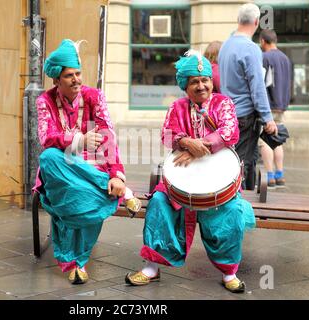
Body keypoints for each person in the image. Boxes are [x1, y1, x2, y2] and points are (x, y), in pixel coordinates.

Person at [125, 51, 256, 293]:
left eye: (205, 79)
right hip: (179, 182)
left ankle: (229, 272)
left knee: (233, 212)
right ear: (185, 85)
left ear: (211, 81)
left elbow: (230, 131)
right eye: (194, 81)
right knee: (158, 203)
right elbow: (166, 135)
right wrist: (186, 143)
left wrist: (200, 147)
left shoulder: (223, 103)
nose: (201, 85)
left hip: (219, 181)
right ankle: (151, 267)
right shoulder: (177, 107)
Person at [32, 39, 141, 284]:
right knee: (48, 157)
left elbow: (108, 137)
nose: (76, 79)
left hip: (91, 171)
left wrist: (116, 175)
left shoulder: (94, 96)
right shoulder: (45, 102)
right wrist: (79, 140)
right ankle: (117, 192)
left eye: (78, 73)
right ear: (56, 81)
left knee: (81, 194)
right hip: (60, 170)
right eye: (69, 75)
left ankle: (76, 262)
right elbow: (46, 138)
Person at [218, 3, 277, 190]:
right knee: (243, 165)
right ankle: (239, 210)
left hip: (227, 114)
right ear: (257, 22)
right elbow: (257, 88)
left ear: (238, 20)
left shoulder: (225, 45)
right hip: (245, 116)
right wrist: (268, 117)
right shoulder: (251, 48)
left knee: (229, 162)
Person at [259, 29, 292, 187]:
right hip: (281, 106)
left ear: (263, 41)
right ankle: (280, 174)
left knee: (265, 140)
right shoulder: (285, 58)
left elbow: (261, 83)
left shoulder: (264, 57)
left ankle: (270, 176)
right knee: (277, 141)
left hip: (268, 106)